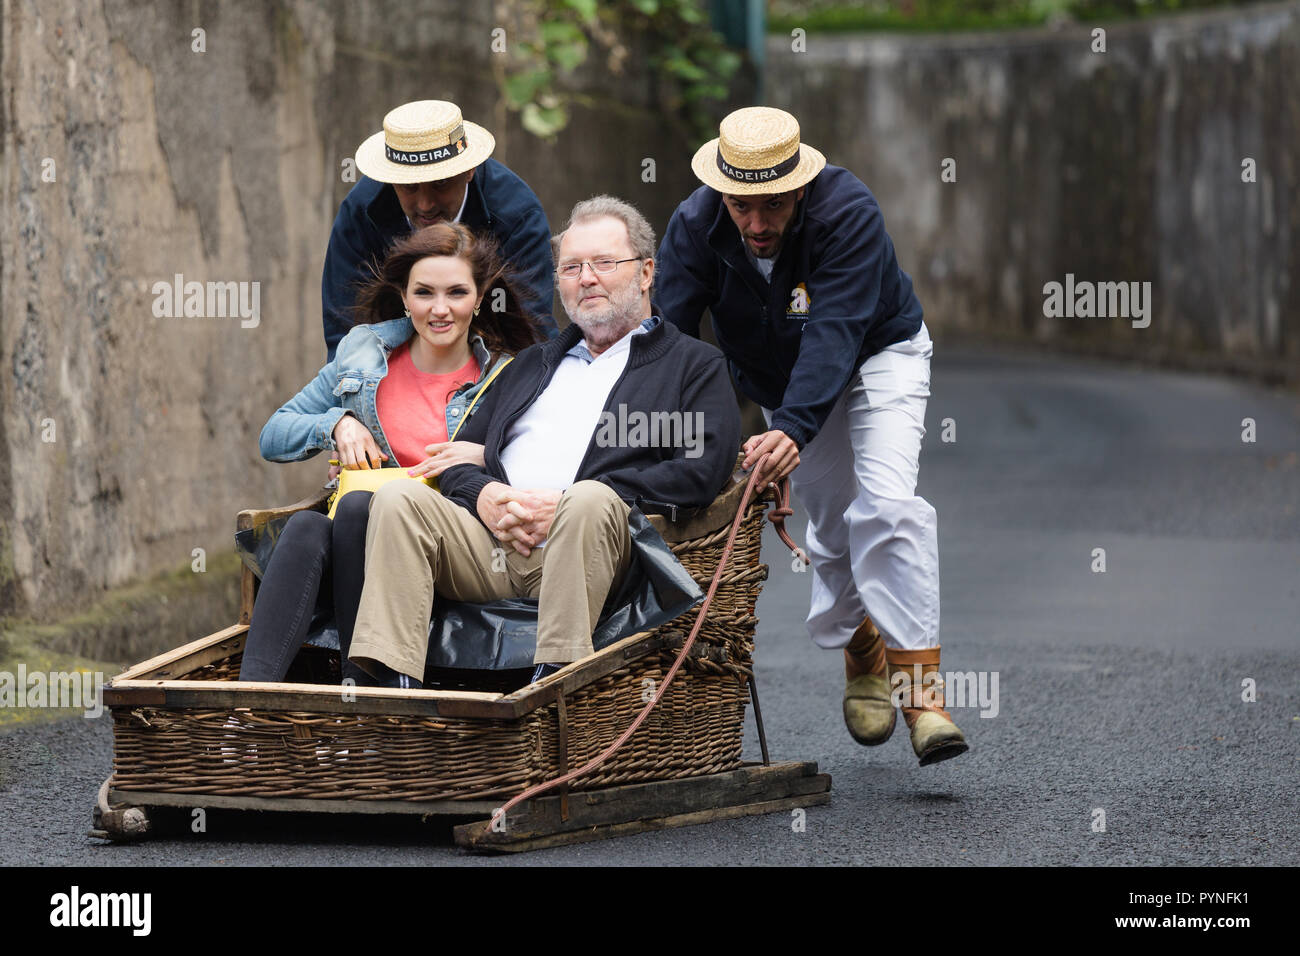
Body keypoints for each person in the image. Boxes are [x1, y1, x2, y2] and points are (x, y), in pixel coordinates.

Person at [654, 106, 967, 766]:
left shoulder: (846, 211)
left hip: (880, 353)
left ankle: (923, 697)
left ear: (799, 185)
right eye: (744, 207)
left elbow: (835, 332)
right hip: (778, 380)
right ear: (723, 193)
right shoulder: (694, 225)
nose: (759, 224)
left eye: (773, 205)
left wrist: (792, 429)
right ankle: (864, 650)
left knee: (884, 506)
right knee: (829, 532)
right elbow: (673, 342)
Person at [348, 196, 741, 689]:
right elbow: (454, 460)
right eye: (572, 267)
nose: (586, 278)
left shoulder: (691, 366)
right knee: (399, 499)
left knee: (590, 499)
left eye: (604, 263)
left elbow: (701, 469)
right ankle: (391, 688)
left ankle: (551, 683)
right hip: (494, 541)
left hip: (593, 549)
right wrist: (485, 496)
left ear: (645, 273)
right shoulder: (533, 364)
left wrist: (564, 503)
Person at [238, 223, 542, 683]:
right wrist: (336, 424)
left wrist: (484, 456)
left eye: (456, 293)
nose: (440, 309)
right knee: (304, 527)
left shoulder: (507, 377)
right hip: (352, 545)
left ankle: (360, 694)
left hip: (438, 550)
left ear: (479, 298)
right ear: (404, 296)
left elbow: (541, 466)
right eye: (424, 293)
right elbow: (272, 435)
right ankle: (247, 709)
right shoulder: (361, 353)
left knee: (362, 507)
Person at [322, 99, 558, 361]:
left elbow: (531, 337)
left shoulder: (517, 217)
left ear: (469, 170)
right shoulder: (361, 212)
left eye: (441, 183)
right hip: (388, 372)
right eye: (409, 186)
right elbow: (343, 333)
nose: (425, 204)